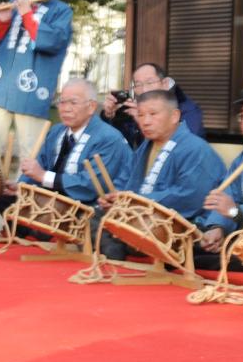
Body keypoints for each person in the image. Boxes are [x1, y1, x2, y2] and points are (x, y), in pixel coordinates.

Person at [96, 90, 227, 261]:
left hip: (180, 224)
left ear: (174, 116)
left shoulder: (196, 149)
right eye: (141, 115)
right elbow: (125, 180)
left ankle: (114, 262)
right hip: (141, 216)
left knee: (110, 230)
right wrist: (113, 198)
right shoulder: (145, 147)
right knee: (95, 215)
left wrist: (134, 201)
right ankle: (113, 260)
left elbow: (189, 197)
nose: (145, 121)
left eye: (153, 114)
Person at [0, 0, 71, 179]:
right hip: (0, 88)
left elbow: (53, 41)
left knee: (32, 151)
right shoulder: (14, 3)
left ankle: (27, 194)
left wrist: (27, 15)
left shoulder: (62, 11)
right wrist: (2, 20)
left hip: (33, 88)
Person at [20, 79, 132, 206]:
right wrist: (21, 187)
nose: (66, 109)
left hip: (90, 208)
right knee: (8, 200)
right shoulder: (56, 131)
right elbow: (38, 166)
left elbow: (91, 185)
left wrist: (44, 176)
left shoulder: (109, 138)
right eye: (62, 102)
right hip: (51, 202)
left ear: (91, 107)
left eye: (73, 102)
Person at [105, 61, 206, 147]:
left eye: (150, 83)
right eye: (138, 84)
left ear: (165, 84)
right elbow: (116, 143)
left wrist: (142, 120)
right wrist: (110, 115)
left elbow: (185, 147)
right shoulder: (134, 107)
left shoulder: (187, 109)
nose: (144, 90)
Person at [198, 91, 243, 258]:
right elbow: (228, 196)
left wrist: (234, 212)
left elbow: (233, 209)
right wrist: (218, 227)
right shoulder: (242, 159)